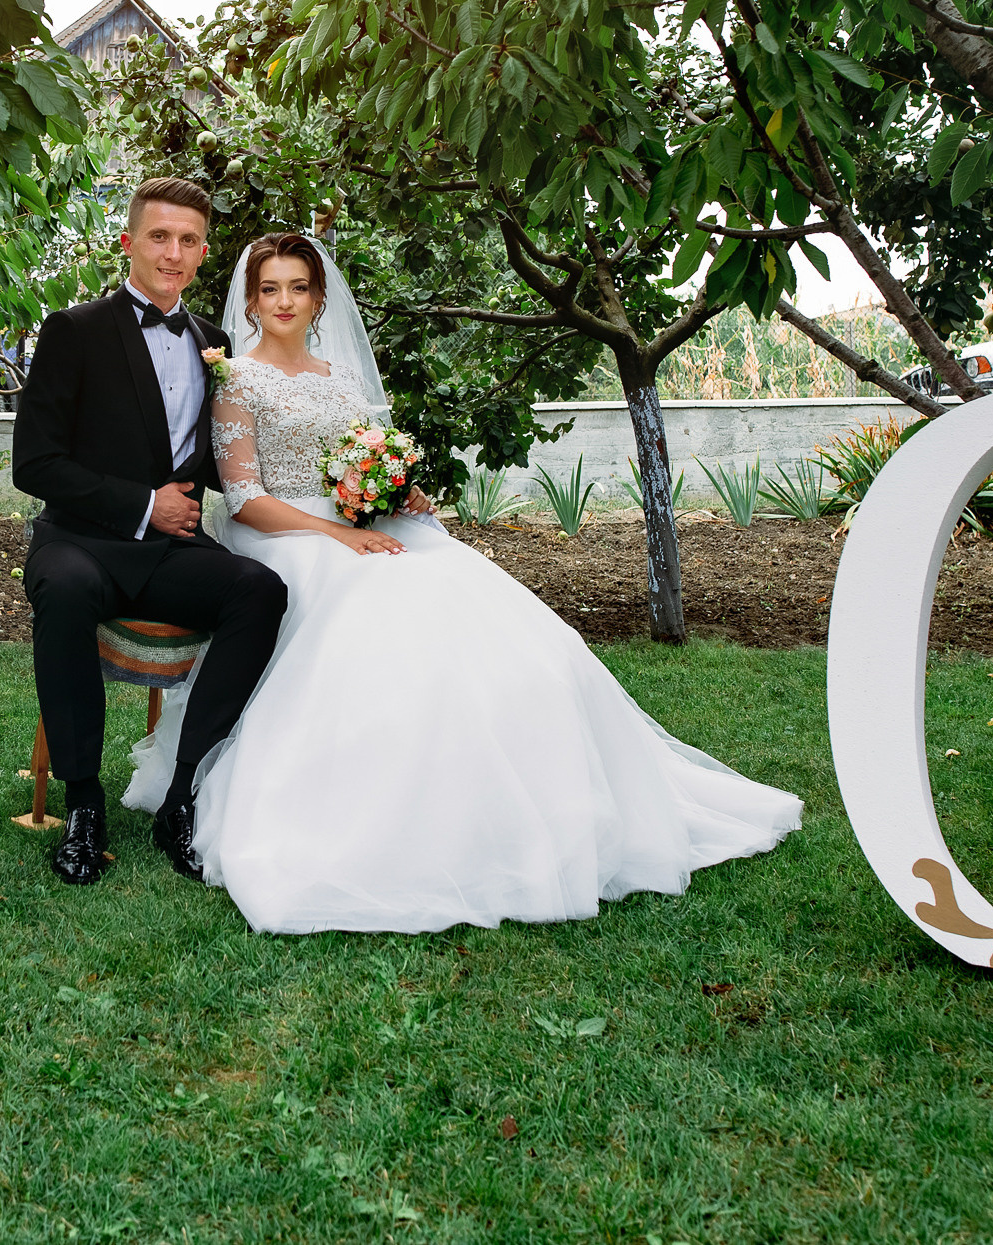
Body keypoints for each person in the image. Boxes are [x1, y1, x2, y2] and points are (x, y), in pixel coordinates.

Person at [124, 232, 802, 934]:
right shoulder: (238, 379)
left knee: (481, 611)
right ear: (251, 299)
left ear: (319, 297)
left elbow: (357, 467)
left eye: (298, 286)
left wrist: (394, 494)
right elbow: (243, 499)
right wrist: (339, 533)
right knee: (369, 611)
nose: (284, 301)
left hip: (363, 528)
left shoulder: (342, 378)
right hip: (282, 536)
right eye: (270, 289)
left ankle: (509, 804)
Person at [12, 178, 288, 886]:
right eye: (160, 237)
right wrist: (142, 503)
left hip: (169, 553)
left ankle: (183, 793)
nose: (174, 252)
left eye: (189, 240)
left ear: (203, 253)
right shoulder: (73, 330)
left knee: (259, 591)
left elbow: (228, 461)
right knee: (68, 591)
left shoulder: (214, 342)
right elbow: (34, 462)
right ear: (129, 242)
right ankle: (83, 804)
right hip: (81, 541)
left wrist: (348, 483)